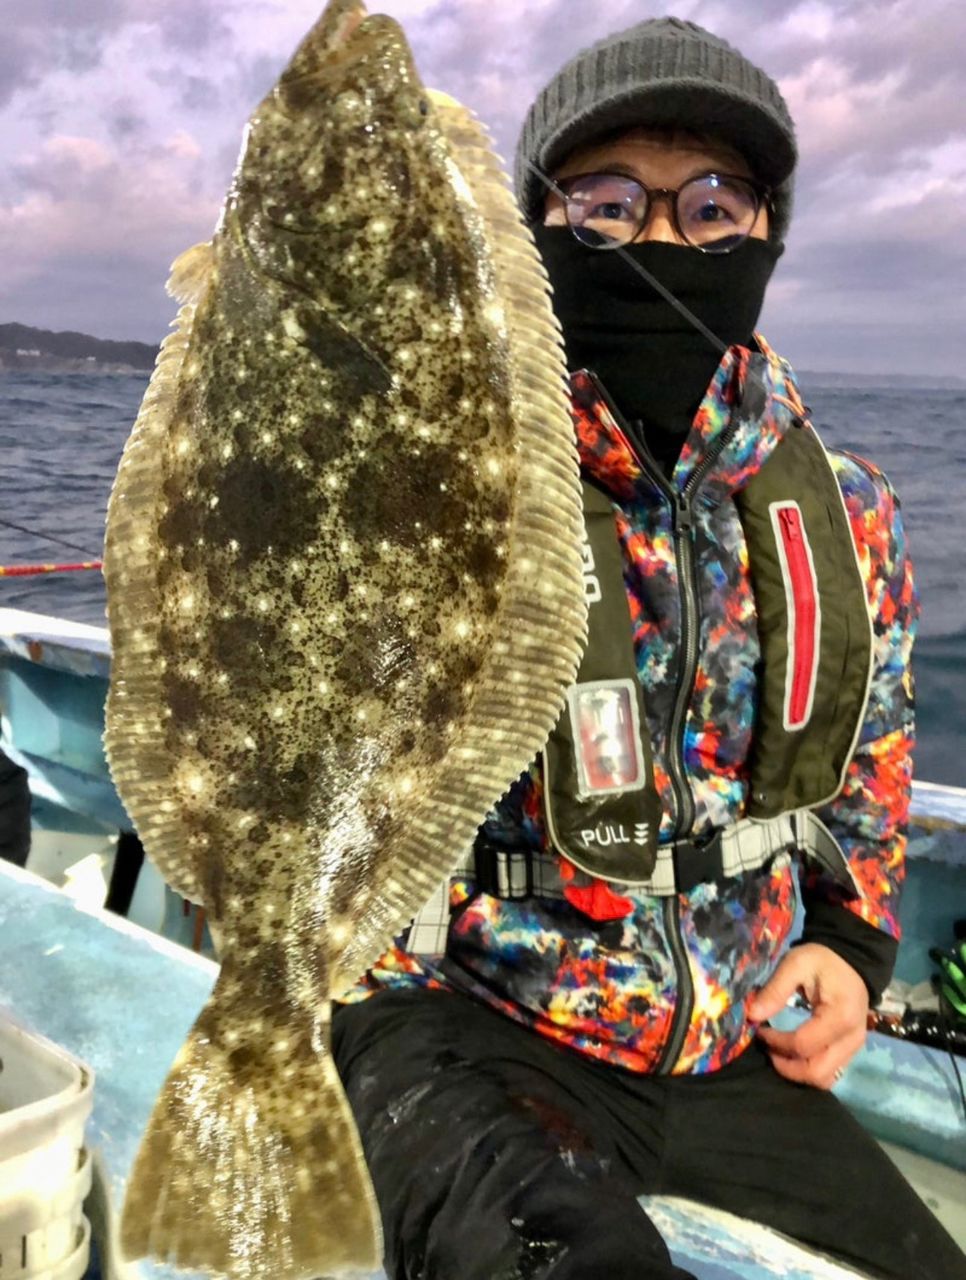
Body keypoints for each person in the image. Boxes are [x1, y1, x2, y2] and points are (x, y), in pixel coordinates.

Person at [333, 17, 966, 1279]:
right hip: (470, 1017)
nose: (666, 238)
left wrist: (847, 947)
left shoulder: (845, 512)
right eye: (611, 202)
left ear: (767, 233)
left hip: (735, 1044)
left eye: (715, 205)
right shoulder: (433, 480)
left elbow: (873, 761)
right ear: (540, 233)